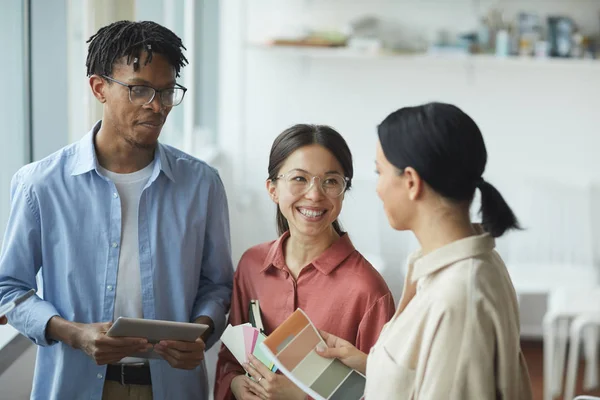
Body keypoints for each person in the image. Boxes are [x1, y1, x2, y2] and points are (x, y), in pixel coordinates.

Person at [0, 21, 233, 400]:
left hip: (172, 389)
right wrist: (72, 333)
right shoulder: (39, 184)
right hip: (74, 385)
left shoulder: (202, 184)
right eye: (139, 89)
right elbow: (9, 288)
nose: (156, 106)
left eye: (166, 91)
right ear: (99, 88)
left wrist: (203, 331)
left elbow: (218, 285)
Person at [316, 103, 533, 399]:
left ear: (411, 182)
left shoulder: (458, 298)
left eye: (379, 172)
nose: (377, 188)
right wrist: (372, 364)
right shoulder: (465, 265)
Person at [214, 124, 395, 400]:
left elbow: (385, 392)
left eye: (330, 181)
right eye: (300, 178)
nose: (314, 194)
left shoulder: (368, 290)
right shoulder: (251, 266)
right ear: (272, 189)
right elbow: (229, 361)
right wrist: (236, 384)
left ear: (343, 192)